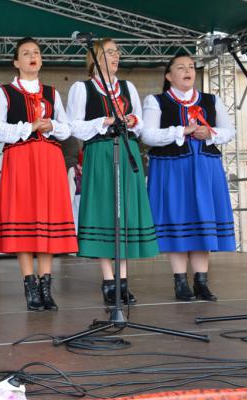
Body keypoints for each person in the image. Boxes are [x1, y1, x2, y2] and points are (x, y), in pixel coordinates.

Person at [66, 38, 159, 305]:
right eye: (109, 52)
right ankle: (108, 281)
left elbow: (140, 126)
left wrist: (133, 121)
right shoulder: (82, 88)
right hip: (100, 152)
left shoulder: (127, 87)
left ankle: (124, 280)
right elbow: (74, 126)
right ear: (95, 57)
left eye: (117, 52)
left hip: (127, 149)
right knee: (105, 212)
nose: (116, 56)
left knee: (125, 213)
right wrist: (103, 121)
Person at [0, 37, 78, 311]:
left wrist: (50, 125)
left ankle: (46, 283)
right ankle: (29, 283)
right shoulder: (3, 92)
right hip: (21, 157)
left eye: (36, 52)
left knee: (48, 219)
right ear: (16, 62)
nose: (32, 56)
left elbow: (67, 128)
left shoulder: (52, 92)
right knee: (25, 217)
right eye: (26, 53)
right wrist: (28, 127)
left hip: (49, 158)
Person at [141, 53, 236, 301]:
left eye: (191, 67)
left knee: (202, 219)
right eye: (181, 67)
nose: (188, 71)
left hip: (204, 166)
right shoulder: (156, 101)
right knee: (178, 219)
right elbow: (148, 135)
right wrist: (183, 130)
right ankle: (180, 281)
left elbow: (229, 131)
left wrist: (210, 134)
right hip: (172, 167)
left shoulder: (210, 100)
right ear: (169, 75)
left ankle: (201, 281)